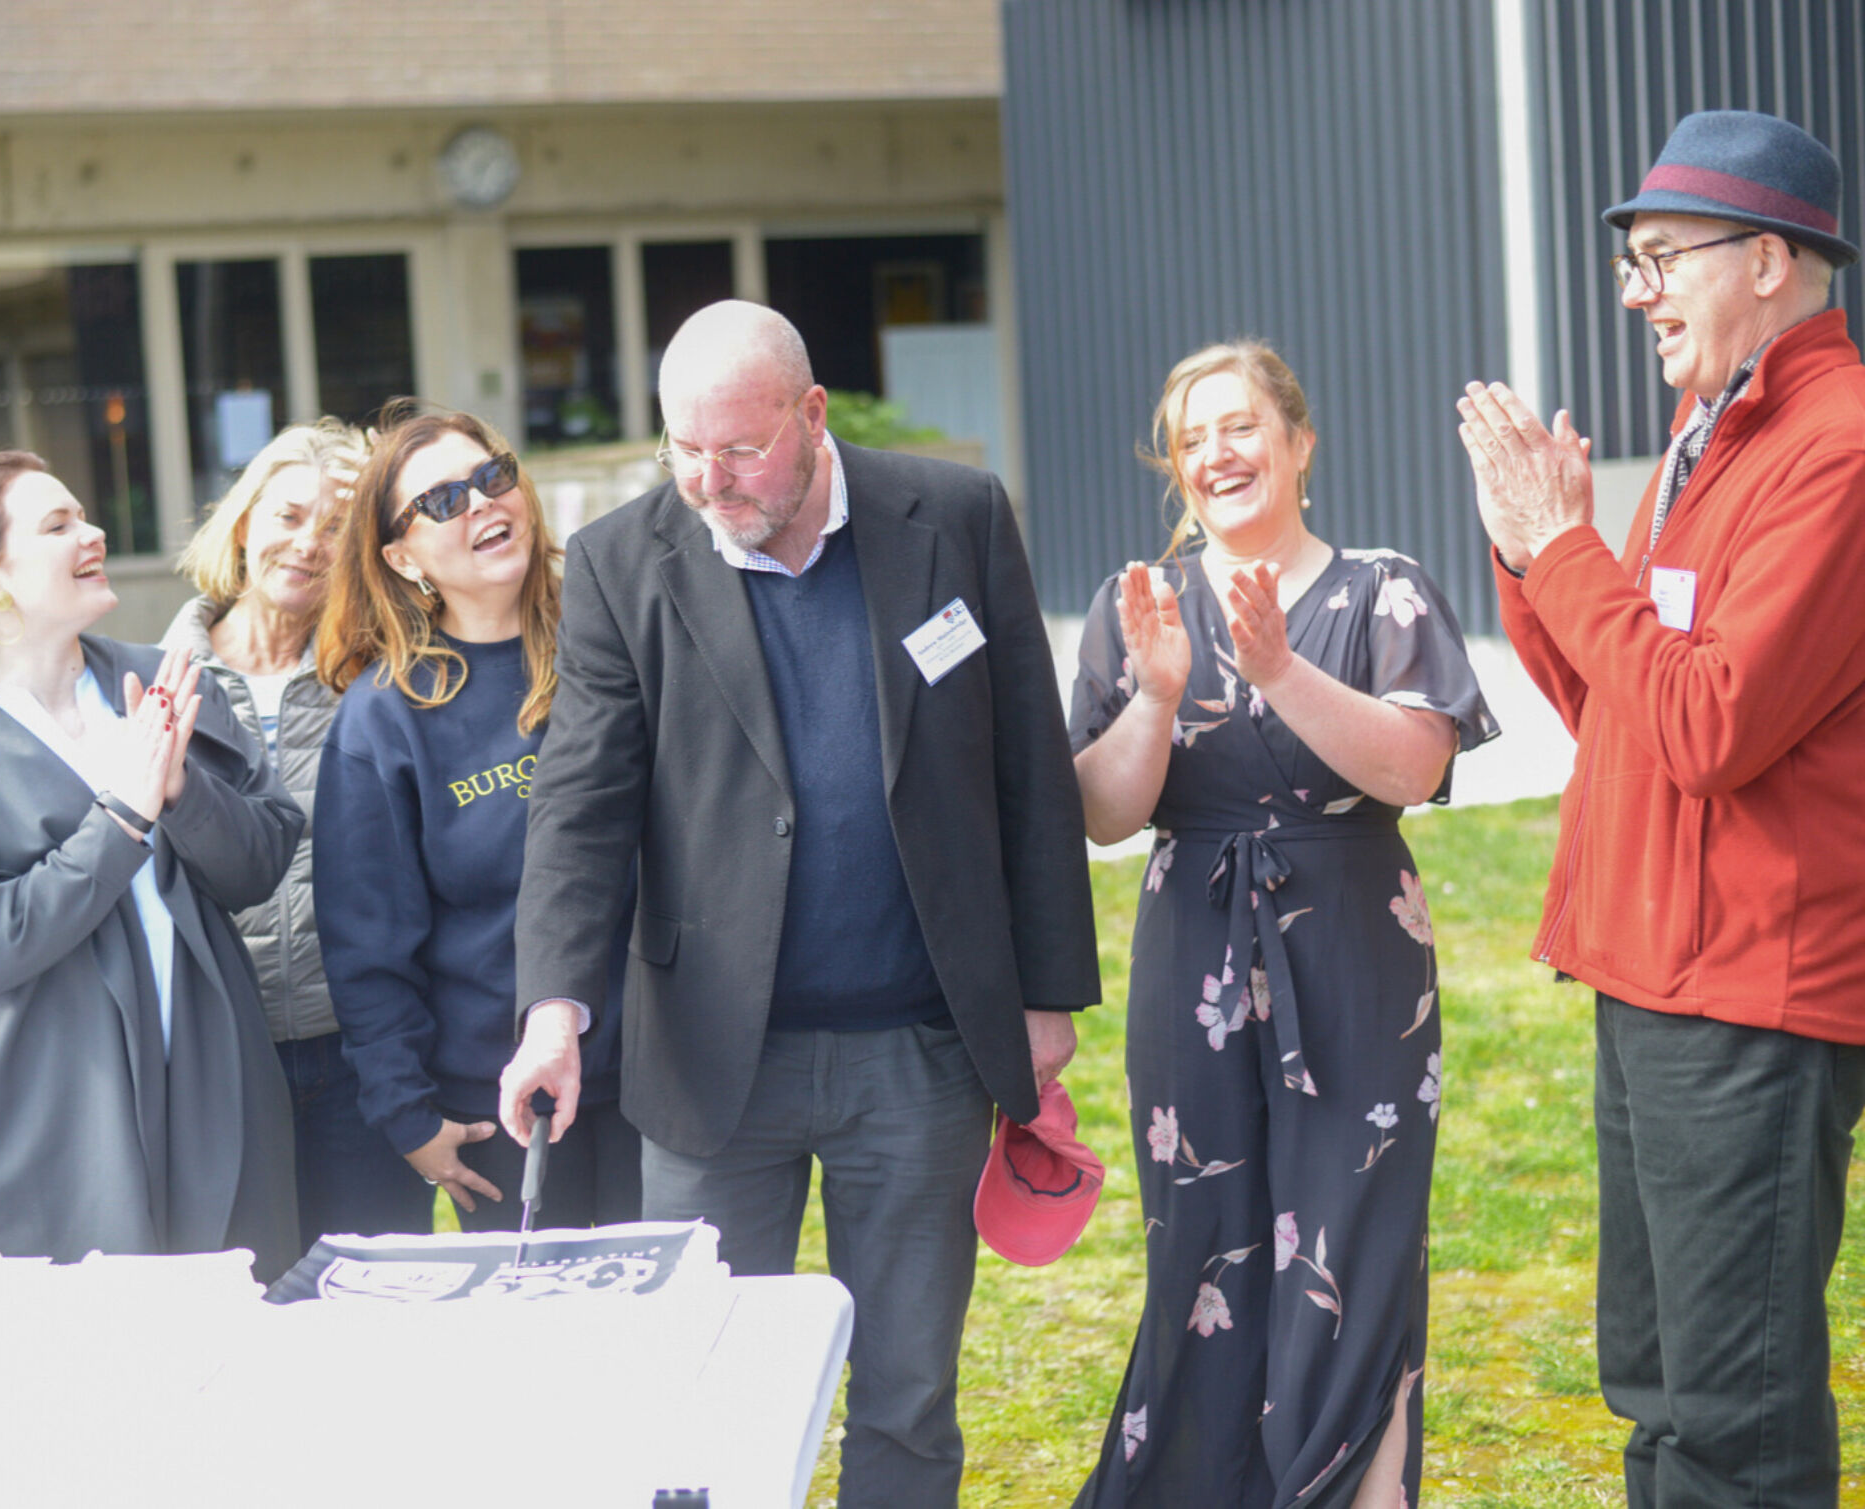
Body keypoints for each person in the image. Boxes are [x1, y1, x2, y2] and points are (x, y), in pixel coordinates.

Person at [499, 300, 1100, 1508]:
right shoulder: (624, 562)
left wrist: (1045, 996)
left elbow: (1027, 766)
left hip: (918, 1050)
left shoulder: (954, 519)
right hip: (717, 1061)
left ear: (812, 415)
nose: (709, 480)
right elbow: (581, 806)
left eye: (739, 449)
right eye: (683, 450)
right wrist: (554, 1010)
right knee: (708, 1381)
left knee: (908, 1390)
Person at [1457, 109, 1865, 1507]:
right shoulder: (1715, 433)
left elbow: (1707, 724)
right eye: (1633, 259)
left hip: (1750, 996)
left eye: (1662, 257)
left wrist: (1568, 546)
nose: (1637, 290)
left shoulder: (1838, 451)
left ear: (1767, 260)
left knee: (1731, 1418)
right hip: (1657, 976)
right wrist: (1534, 558)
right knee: (1655, 1382)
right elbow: (1621, 716)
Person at [1072, 341, 1497, 1508]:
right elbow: (1105, 814)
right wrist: (1159, 694)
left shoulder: (1384, 588)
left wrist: (1280, 672)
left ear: (1300, 444)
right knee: (1203, 1245)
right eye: (1192, 437)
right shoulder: (1138, 606)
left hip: (1353, 953)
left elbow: (1416, 766)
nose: (1217, 453)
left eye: (1240, 425)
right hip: (1191, 956)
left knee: (1350, 1247)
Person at [0, 451, 301, 1278]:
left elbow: (260, 864)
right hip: (49, 1107)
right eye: (57, 525)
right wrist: (123, 817)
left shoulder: (160, 680)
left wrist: (182, 793)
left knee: (234, 1347)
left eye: (84, 514)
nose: (93, 532)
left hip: (213, 1081)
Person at [310, 405, 639, 1235]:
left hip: (663, 1084)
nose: (484, 503)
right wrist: (408, 1115)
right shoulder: (385, 715)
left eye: (491, 477)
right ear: (400, 555)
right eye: (443, 501)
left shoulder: (619, 645)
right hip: (503, 1107)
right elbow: (365, 943)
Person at [163, 419, 417, 1251]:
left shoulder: (386, 678)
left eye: (339, 523)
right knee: (248, 1317)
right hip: (221, 1065)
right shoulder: (158, 680)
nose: (309, 544)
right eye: (288, 515)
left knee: (375, 1307)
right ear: (243, 523)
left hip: (361, 1059)